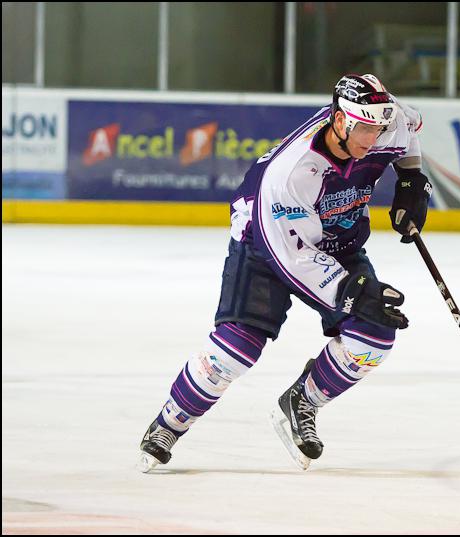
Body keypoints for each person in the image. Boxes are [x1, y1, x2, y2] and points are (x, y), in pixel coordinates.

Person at [138, 74, 432, 471]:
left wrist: (412, 179)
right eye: (364, 129)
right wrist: (353, 293)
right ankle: (169, 424)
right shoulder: (293, 173)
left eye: (378, 129)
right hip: (264, 242)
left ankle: (301, 402)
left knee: (374, 337)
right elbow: (294, 259)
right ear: (340, 120)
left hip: (337, 237)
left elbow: (410, 130)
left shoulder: (387, 122)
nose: (372, 138)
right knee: (235, 350)